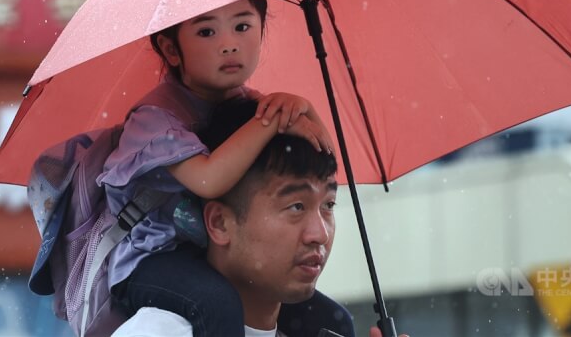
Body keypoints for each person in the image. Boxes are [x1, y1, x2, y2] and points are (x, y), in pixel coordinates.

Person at [99, 0, 351, 336]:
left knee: (332, 319)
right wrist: (273, 122)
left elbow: (322, 162)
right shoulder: (155, 120)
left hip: (201, 252)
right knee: (216, 304)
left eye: (242, 26)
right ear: (171, 50)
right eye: (207, 32)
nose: (229, 44)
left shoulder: (250, 106)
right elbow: (208, 181)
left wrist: (304, 109)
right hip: (152, 260)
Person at [112, 99, 407, 337]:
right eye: (296, 207)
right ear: (219, 223)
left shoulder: (323, 328)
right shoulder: (160, 332)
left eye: (328, 205)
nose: (320, 234)